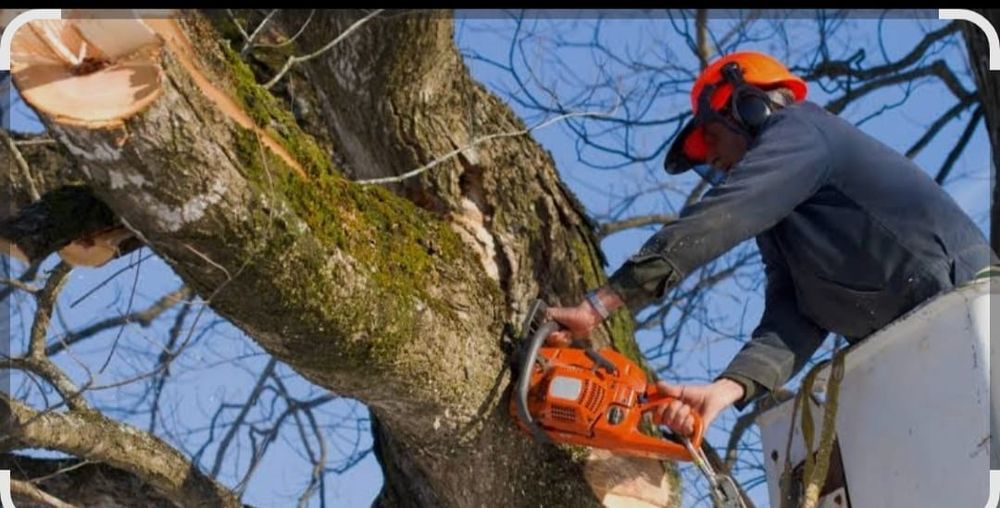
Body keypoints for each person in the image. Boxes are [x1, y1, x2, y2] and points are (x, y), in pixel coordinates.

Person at [544, 51, 998, 437]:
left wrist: (600, 304)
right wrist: (725, 390)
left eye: (713, 139)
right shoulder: (784, 219)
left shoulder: (804, 131)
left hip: (968, 311)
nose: (716, 161)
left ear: (749, 108)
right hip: (918, 350)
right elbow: (795, 313)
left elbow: (727, 213)